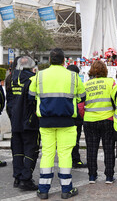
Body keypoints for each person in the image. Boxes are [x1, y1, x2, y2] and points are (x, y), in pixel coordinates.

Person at [29, 48, 86, 200]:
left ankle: (43, 190)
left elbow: (31, 95)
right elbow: (82, 96)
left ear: (49, 60)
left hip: (46, 121)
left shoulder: (39, 75)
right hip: (67, 121)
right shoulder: (73, 76)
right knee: (65, 154)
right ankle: (66, 189)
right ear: (64, 61)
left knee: (47, 153)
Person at [10, 56, 39, 191]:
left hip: (15, 119)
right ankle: (26, 179)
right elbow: (33, 100)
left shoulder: (11, 78)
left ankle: (17, 177)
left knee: (17, 150)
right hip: (29, 120)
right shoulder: (33, 79)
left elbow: (9, 100)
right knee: (31, 150)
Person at [83, 60, 115, 183]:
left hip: (90, 120)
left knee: (91, 149)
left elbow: (81, 104)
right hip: (107, 119)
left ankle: (92, 176)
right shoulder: (110, 82)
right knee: (109, 148)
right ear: (105, 71)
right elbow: (115, 100)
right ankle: (109, 176)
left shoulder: (87, 84)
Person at [66, 64, 88, 169]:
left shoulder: (62, 82)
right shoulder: (77, 81)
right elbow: (83, 97)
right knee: (75, 139)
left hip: (63, 115)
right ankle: (76, 160)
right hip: (75, 115)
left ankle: (67, 160)